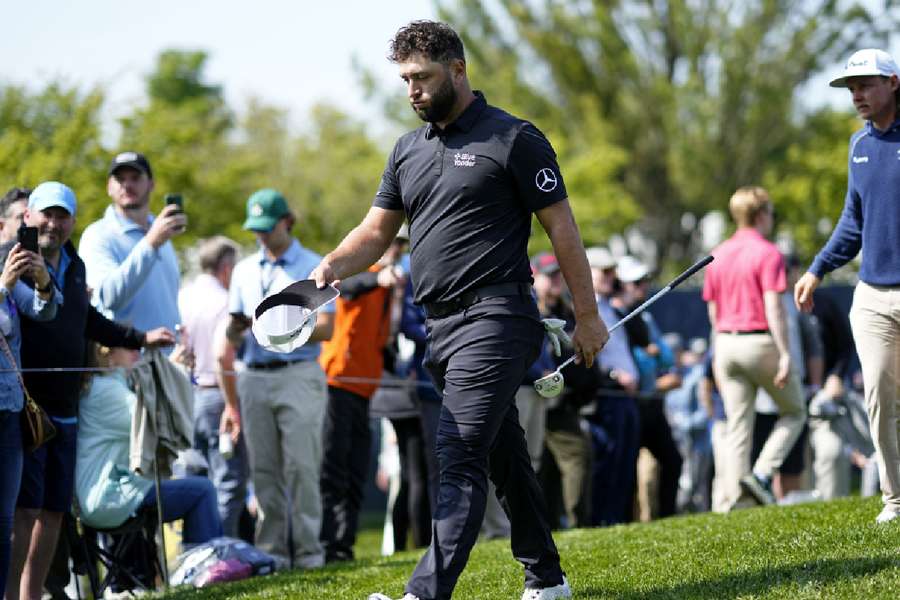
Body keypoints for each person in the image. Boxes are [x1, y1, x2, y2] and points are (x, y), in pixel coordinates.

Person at [312, 21, 607, 600]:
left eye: (421, 77)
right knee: (502, 454)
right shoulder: (406, 150)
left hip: (499, 317)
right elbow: (375, 233)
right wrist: (331, 266)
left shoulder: (515, 138)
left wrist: (587, 316)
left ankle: (424, 593)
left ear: (458, 69)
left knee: (458, 452)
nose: (412, 91)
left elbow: (563, 231)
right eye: (404, 80)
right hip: (441, 328)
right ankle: (546, 580)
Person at [6, 182, 174, 600]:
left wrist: (138, 337)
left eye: (62, 215)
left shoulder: (75, 264)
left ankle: (31, 597)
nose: (53, 223)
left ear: (72, 221)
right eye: (45, 213)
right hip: (24, 406)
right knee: (24, 512)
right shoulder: (10, 257)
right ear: (28, 217)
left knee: (54, 511)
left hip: (66, 405)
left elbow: (88, 320)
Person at [794, 48, 900, 524]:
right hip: (873, 296)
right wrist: (817, 268)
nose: (856, 94)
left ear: (893, 82)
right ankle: (895, 500)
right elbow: (852, 222)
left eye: (866, 84)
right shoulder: (858, 146)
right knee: (879, 395)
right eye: (850, 87)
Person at [221, 188, 334, 569]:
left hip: (297, 373)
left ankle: (309, 553)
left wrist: (282, 326)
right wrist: (237, 330)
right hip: (253, 375)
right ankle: (272, 554)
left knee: (302, 466)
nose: (262, 235)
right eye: (256, 229)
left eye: (268, 227)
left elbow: (328, 329)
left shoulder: (314, 265)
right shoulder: (242, 270)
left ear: (288, 221)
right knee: (264, 470)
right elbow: (234, 334)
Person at [703, 186, 806, 509]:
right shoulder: (768, 252)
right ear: (762, 215)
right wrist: (786, 353)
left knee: (738, 426)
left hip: (725, 343)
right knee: (795, 411)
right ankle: (761, 475)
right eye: (771, 213)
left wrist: (719, 347)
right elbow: (774, 306)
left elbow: (713, 310)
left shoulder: (717, 252)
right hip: (759, 341)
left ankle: (737, 501)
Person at [318, 228, 407, 562]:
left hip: (364, 388)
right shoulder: (362, 276)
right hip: (337, 382)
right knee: (333, 468)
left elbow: (382, 344)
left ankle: (345, 544)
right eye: (391, 243)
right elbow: (345, 290)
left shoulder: (391, 289)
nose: (395, 250)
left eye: (400, 246)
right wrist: (378, 280)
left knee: (356, 470)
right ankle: (328, 544)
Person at [76, 342, 222, 543]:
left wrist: (168, 369)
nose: (137, 351)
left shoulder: (106, 386)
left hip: (108, 495)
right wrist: (174, 371)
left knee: (197, 488)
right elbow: (157, 424)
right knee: (203, 491)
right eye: (129, 347)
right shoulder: (107, 391)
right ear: (108, 355)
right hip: (108, 499)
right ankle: (202, 567)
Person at [0, 228, 59, 597]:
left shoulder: (3, 266)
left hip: (9, 410)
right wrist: (3, 287)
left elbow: (45, 310)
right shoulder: (3, 278)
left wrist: (41, 280)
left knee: (4, 521)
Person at [178, 236, 250, 538]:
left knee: (196, 479)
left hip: (189, 397)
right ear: (226, 267)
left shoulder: (184, 296)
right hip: (221, 396)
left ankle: (195, 550)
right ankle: (221, 552)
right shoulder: (225, 303)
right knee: (228, 484)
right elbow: (226, 356)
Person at [79, 151, 185, 333]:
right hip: (126, 357)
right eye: (120, 179)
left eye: (135, 178)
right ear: (109, 187)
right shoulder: (97, 235)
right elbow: (108, 298)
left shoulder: (162, 233)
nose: (127, 185)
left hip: (168, 357)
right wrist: (151, 243)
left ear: (151, 184)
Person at [616, 256, 683, 519]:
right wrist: (647, 353)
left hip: (652, 403)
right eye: (636, 283)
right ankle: (626, 521)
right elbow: (640, 360)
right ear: (622, 285)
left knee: (673, 460)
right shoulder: (615, 316)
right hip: (630, 402)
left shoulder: (646, 317)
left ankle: (667, 516)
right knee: (628, 470)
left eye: (644, 281)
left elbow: (665, 356)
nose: (642, 287)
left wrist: (649, 354)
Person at [584, 246, 640, 526]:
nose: (610, 276)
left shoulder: (610, 306)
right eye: (604, 271)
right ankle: (602, 522)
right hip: (609, 395)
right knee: (608, 463)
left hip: (626, 397)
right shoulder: (585, 310)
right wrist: (616, 376)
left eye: (612, 272)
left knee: (624, 464)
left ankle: (618, 521)